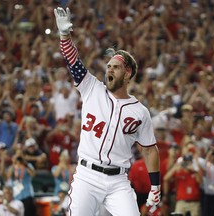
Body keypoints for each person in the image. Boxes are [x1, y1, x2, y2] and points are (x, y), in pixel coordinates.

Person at [53, 7, 161, 216]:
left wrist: (155, 186)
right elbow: (74, 63)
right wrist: (65, 37)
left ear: (127, 74)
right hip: (87, 176)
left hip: (118, 181)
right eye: (109, 66)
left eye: (115, 67)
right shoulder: (92, 88)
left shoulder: (140, 112)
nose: (109, 69)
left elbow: (149, 149)